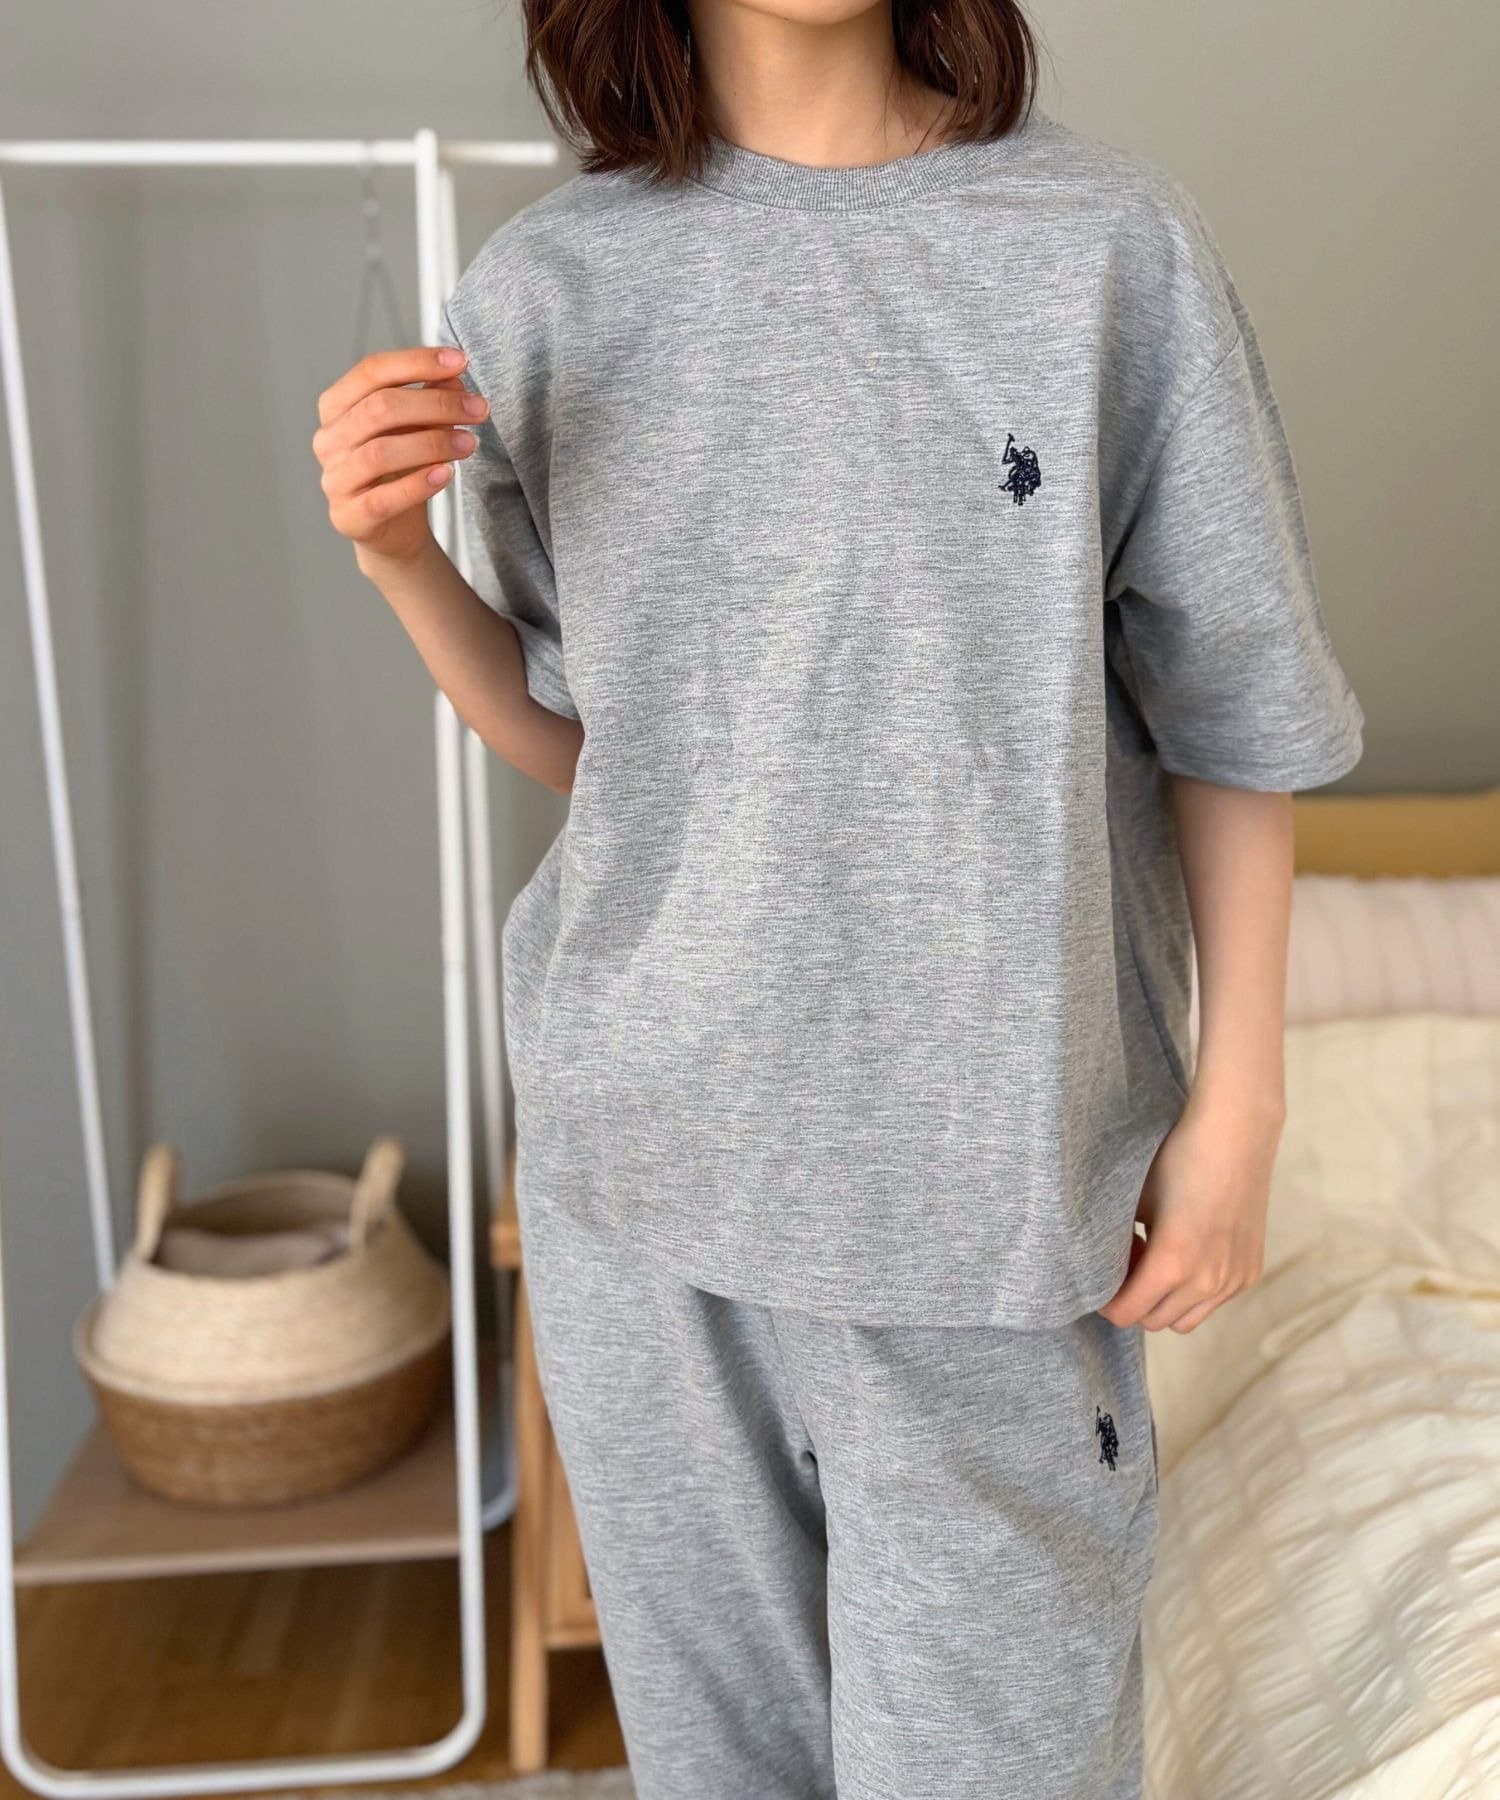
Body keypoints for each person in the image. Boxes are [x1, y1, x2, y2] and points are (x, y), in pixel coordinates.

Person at [311, 1, 1364, 1792]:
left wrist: (1239, 1107)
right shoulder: (547, 291)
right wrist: (401, 560)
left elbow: (1236, 710)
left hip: (984, 1204)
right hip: (645, 1194)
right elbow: (604, 749)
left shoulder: (1106, 249)